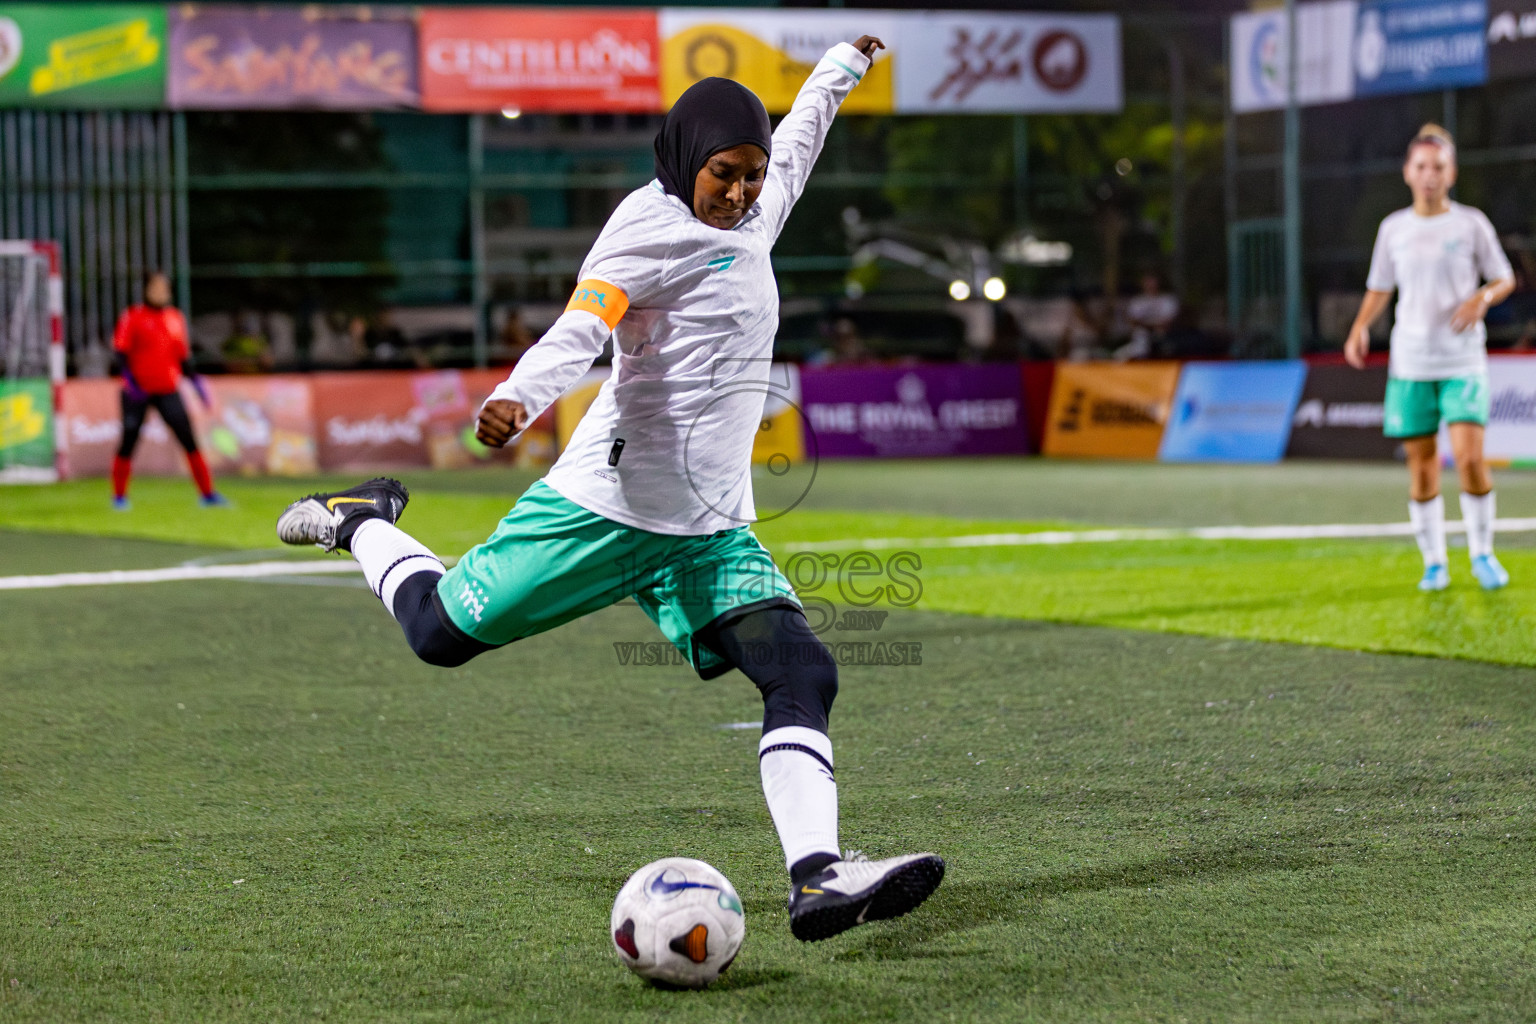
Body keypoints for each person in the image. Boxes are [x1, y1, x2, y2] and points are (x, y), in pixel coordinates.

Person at [275, 36, 943, 942]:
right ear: (682, 160)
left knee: (803, 672)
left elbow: (803, 136)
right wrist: (520, 393)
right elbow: (583, 325)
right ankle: (361, 521)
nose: (742, 193)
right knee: (437, 635)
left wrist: (840, 64)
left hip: (708, 528)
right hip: (606, 511)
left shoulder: (759, 206)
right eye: (724, 175)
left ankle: (818, 876)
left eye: (750, 175)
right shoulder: (644, 225)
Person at [1345, 124, 1515, 591]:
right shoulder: (1393, 229)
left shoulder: (1471, 223)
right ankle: (1434, 561)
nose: (1429, 175)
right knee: (1421, 467)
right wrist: (1360, 326)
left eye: (1438, 167)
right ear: (1407, 172)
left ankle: (1482, 553)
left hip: (1462, 361)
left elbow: (1504, 278)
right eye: (1421, 166)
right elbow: (1380, 287)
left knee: (1469, 459)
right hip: (1411, 364)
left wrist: (1482, 298)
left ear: (1451, 172)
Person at [111, 271, 225, 509]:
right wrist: (131, 383)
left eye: (165, 288)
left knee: (189, 440)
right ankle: (120, 497)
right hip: (137, 392)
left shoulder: (175, 318)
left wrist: (197, 385)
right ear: (146, 290)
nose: (161, 292)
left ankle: (208, 494)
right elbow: (120, 355)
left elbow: (183, 358)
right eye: (156, 287)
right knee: (128, 440)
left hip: (167, 390)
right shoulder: (133, 317)